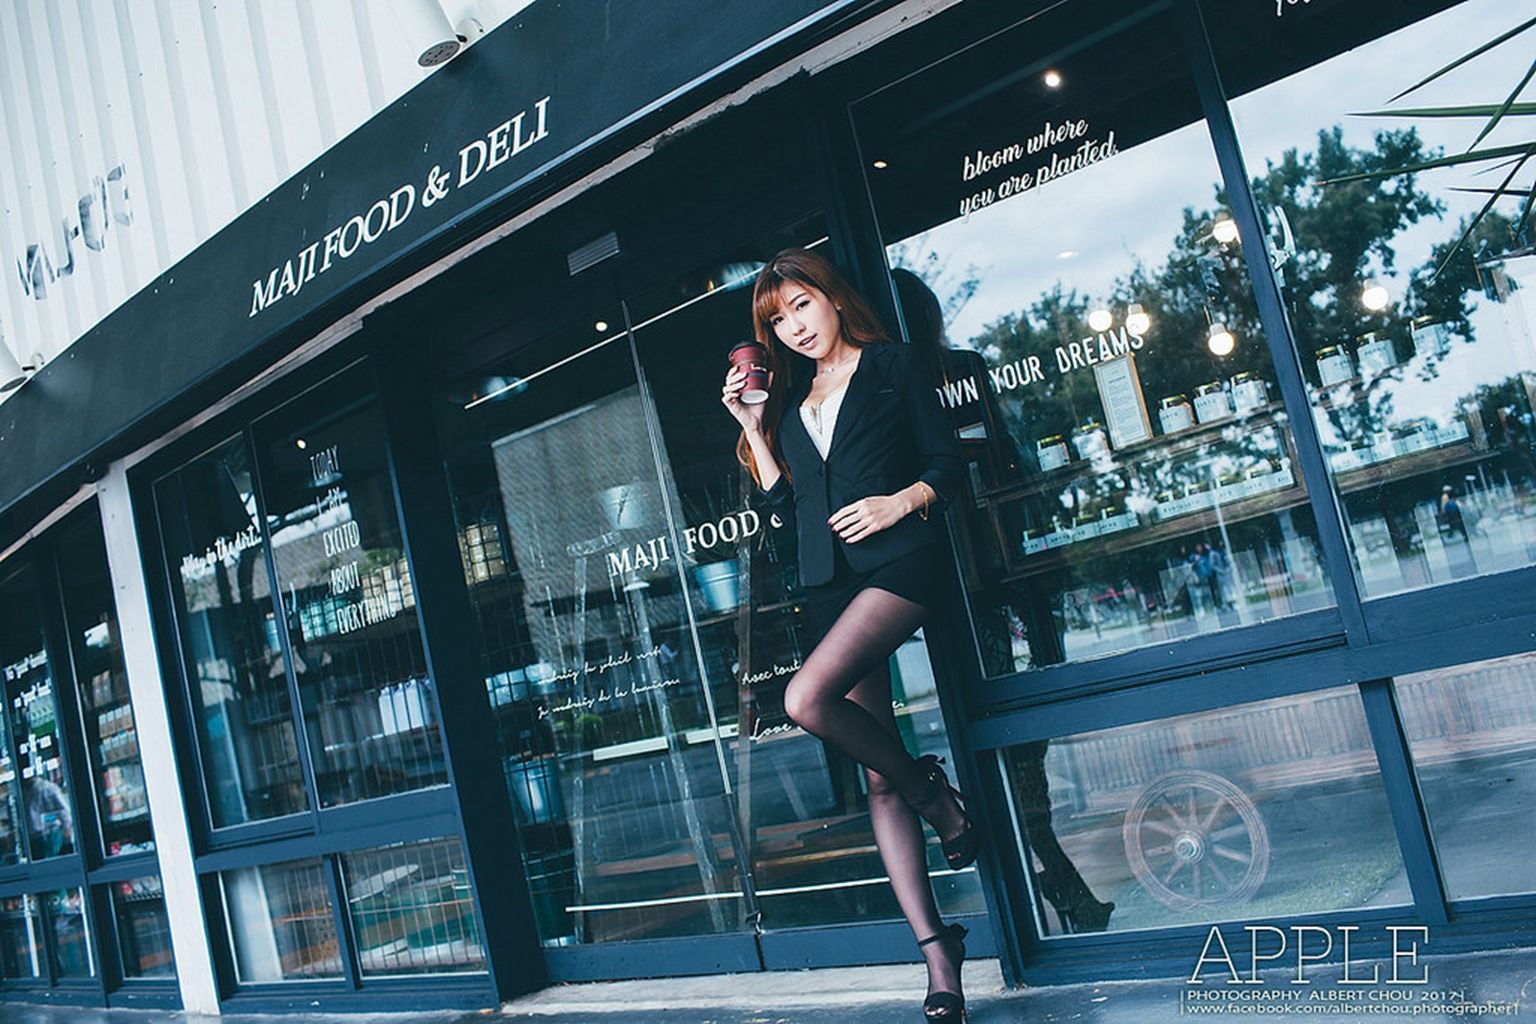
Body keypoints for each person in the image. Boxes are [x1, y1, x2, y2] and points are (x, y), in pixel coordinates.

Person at [722, 248, 975, 1022]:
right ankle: (940, 963)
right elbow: (784, 517)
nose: (793, 327)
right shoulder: (793, 406)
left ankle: (937, 796)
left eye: (801, 306)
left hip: (900, 566)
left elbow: (949, 462)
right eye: (776, 320)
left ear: (831, 300)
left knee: (807, 698)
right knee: (874, 776)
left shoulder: (894, 367)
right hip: (829, 587)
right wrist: (754, 429)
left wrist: (900, 504)